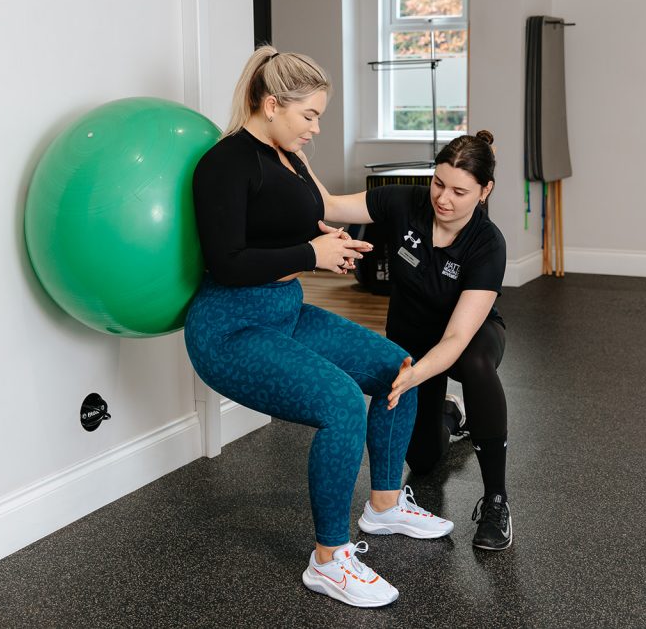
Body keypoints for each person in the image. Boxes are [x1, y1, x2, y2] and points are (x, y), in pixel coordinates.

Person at [184, 45, 453, 609]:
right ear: (272, 103)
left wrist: (331, 242)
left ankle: (383, 505)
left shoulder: (290, 158)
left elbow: (299, 223)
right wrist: (311, 253)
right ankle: (328, 560)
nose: (315, 128)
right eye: (309, 115)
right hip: (230, 329)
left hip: (284, 311)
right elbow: (228, 262)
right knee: (340, 404)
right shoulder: (225, 164)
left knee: (398, 366)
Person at [311, 131, 512, 551]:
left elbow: (458, 336)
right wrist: (289, 148)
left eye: (460, 191)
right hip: (411, 340)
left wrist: (414, 375)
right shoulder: (404, 201)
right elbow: (329, 204)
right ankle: (447, 415)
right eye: (439, 183)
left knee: (474, 366)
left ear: (484, 191)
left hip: (468, 338)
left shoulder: (487, 243)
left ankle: (496, 500)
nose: (444, 198)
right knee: (422, 462)